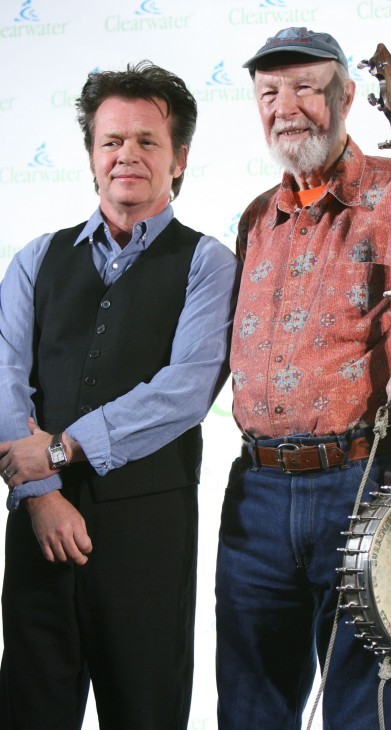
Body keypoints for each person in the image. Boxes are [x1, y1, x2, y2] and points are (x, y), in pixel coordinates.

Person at [215, 27, 391, 730]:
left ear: (344, 96)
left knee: (361, 714)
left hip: (362, 486)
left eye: (305, 87)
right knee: (249, 711)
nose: (286, 107)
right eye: (269, 92)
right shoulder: (257, 219)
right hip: (256, 496)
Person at [0, 61, 238, 730]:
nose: (126, 156)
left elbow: (185, 390)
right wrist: (40, 495)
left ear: (178, 158)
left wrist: (58, 448)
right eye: (111, 142)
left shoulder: (208, 263)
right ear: (90, 156)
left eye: (146, 141)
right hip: (37, 531)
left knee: (146, 715)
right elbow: (4, 375)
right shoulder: (36, 260)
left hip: (148, 540)